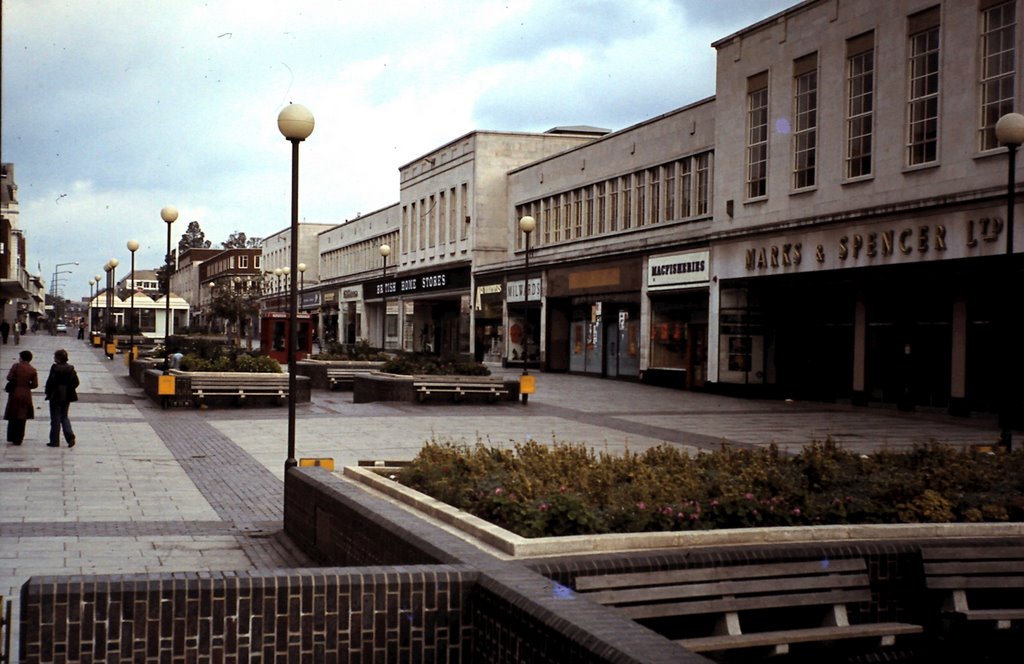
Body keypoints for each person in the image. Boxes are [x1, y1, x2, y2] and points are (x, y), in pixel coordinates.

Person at [44, 348, 79, 448]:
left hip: (55, 395)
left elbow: (50, 381)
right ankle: (70, 437)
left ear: (58, 358)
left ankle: (54, 441)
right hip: (67, 395)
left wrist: (48, 392)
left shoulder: (55, 368)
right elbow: (76, 382)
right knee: (64, 416)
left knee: (55, 418)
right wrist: (69, 388)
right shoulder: (70, 368)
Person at [4, 350, 38, 445]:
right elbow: (35, 384)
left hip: (15, 392)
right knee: (22, 415)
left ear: (22, 358)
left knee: (13, 414)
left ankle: (11, 436)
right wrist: (27, 386)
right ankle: (19, 438)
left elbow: (9, 378)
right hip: (26, 394)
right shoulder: (32, 370)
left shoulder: (16, 366)